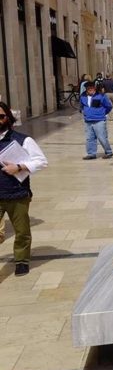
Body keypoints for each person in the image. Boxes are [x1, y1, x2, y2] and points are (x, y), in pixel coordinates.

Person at [0, 103, 48, 276]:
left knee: (21, 231)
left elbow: (41, 161)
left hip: (16, 193)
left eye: (1, 116)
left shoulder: (23, 140)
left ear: (8, 118)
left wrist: (19, 167)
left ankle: (21, 260)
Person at [81, 83, 113, 160]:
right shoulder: (83, 96)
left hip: (99, 120)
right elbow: (82, 105)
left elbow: (108, 106)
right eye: (89, 89)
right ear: (86, 89)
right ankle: (91, 153)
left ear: (95, 88)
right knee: (89, 138)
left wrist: (102, 113)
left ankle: (108, 152)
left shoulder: (101, 96)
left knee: (102, 137)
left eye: (92, 88)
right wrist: (83, 111)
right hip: (88, 120)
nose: (91, 90)